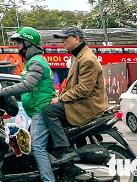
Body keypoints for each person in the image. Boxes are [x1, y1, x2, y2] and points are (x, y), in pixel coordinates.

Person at [0, 27, 57, 182]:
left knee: (37, 147)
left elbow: (27, 85)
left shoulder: (36, 62)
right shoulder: (32, 62)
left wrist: (2, 92)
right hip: (37, 110)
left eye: (20, 42)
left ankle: (49, 180)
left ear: (29, 43)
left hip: (42, 110)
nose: (17, 46)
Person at [42, 26, 108, 164]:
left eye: (65, 38)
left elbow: (83, 89)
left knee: (48, 111)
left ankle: (64, 150)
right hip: (82, 102)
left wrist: (60, 98)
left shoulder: (87, 59)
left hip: (87, 106)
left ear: (77, 39)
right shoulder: (79, 56)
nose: (62, 42)